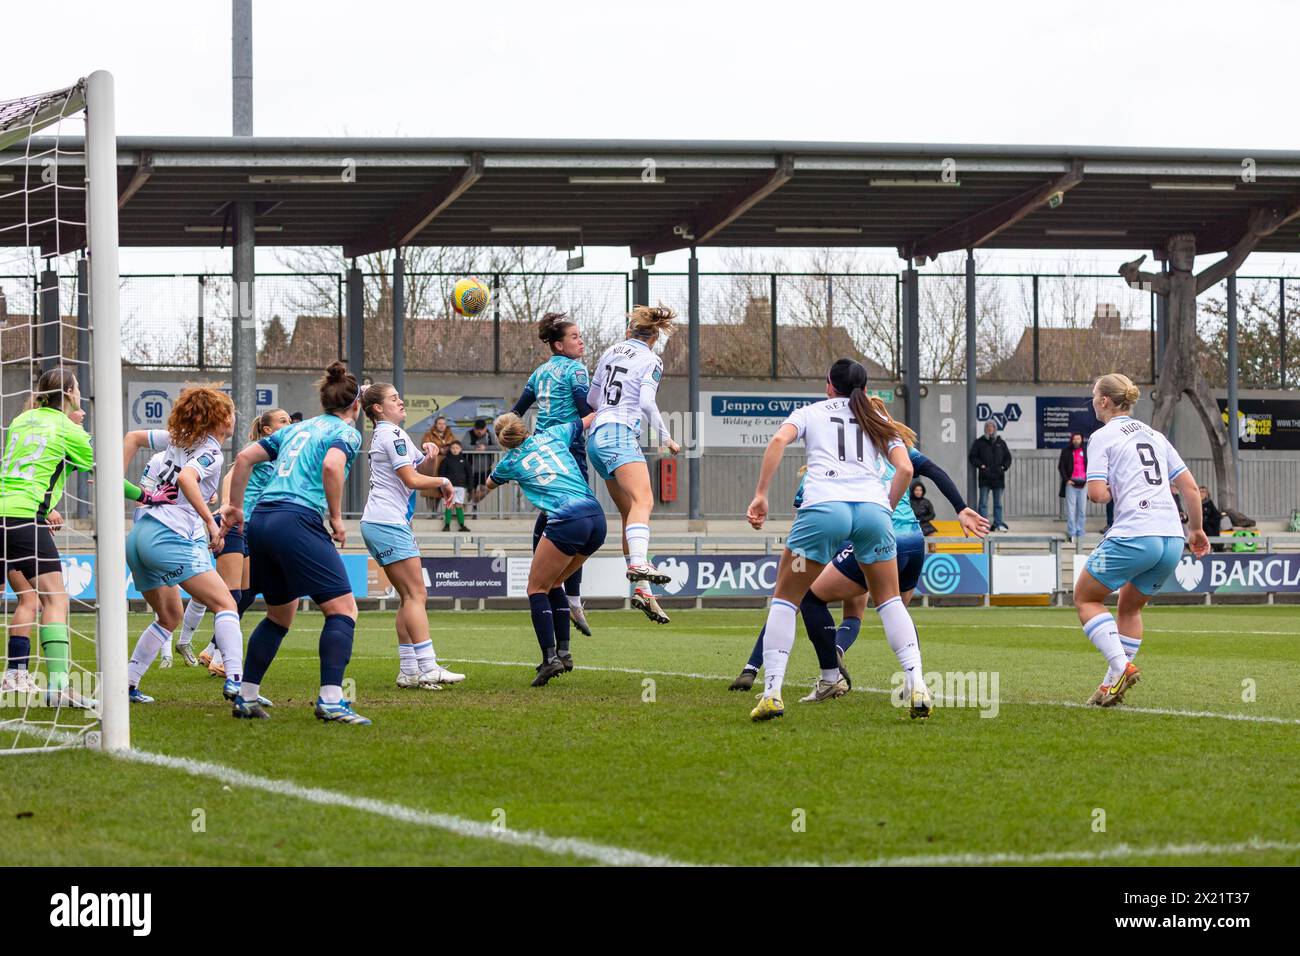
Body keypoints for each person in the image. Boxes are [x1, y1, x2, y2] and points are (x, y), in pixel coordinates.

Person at [745, 358, 928, 722]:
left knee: (785, 598)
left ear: (829, 385)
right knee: (890, 601)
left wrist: (761, 494)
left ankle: (772, 693)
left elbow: (779, 440)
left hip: (824, 511)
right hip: (873, 513)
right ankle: (918, 684)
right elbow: (906, 469)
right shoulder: (878, 420)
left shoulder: (810, 412)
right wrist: (885, 507)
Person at [729, 445, 986, 696]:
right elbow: (929, 470)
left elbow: (804, 516)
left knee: (792, 599)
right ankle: (913, 682)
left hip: (854, 543)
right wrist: (960, 507)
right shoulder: (896, 448)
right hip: (911, 541)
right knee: (892, 610)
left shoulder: (837, 458)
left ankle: (800, 670)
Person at [1, 369, 174, 701]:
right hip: (25, 517)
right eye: (78, 388)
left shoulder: (23, 420)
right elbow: (106, 474)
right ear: (69, 393)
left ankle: (17, 675)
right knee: (55, 599)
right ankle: (58, 687)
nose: (80, 394)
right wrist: (147, 496)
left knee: (31, 599)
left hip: (3, 511)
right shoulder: (70, 430)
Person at [220, 361, 368, 724]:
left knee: (279, 615)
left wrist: (235, 508)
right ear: (356, 405)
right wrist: (335, 518)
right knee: (343, 610)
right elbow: (333, 467)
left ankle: (247, 696)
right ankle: (332, 700)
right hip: (296, 520)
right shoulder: (347, 432)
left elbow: (244, 457)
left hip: (262, 520)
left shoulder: (297, 429)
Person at [121, 387, 264, 708]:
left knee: (169, 616)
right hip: (168, 536)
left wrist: (115, 478)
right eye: (230, 413)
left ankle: (127, 684)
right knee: (226, 604)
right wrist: (210, 523)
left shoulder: (178, 438)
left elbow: (132, 437)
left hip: (140, 536)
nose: (233, 419)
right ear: (220, 419)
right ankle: (237, 684)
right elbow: (187, 478)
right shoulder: (211, 451)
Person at [1073, 373, 1209, 707]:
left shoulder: (1102, 437)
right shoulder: (1156, 436)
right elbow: (1190, 488)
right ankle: (1109, 686)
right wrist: (1196, 530)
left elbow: (1096, 494)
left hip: (1135, 533)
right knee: (1129, 607)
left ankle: (1122, 666)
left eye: (1094, 396)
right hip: (1172, 540)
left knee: (1085, 598)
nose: (1093, 401)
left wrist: (1112, 487)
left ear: (1105, 401)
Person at [480, 412, 605, 686]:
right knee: (555, 583)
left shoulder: (509, 463)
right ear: (524, 428)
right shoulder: (553, 434)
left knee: (536, 589)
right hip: (597, 518)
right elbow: (589, 418)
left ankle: (550, 660)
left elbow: (488, 485)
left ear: (504, 443)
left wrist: (469, 497)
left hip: (567, 519)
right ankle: (564, 653)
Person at [359, 382, 464, 690]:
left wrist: (431, 456)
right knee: (417, 596)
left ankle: (408, 670)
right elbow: (411, 478)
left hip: (382, 522)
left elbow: (419, 469)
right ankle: (429, 666)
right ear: (378, 408)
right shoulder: (390, 434)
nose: (401, 401)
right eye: (394, 398)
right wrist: (444, 479)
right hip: (387, 522)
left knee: (408, 598)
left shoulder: (393, 433)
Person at [588, 305, 681, 624]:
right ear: (654, 338)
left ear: (631, 332)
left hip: (597, 437)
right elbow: (644, 402)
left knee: (630, 512)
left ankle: (642, 589)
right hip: (618, 434)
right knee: (645, 500)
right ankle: (639, 564)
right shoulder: (652, 359)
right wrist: (667, 436)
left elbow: (593, 398)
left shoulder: (611, 351)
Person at [188, 408, 293, 675]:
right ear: (268, 430)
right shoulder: (260, 449)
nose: (289, 425)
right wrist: (226, 506)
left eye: (290, 421)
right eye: (283, 421)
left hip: (254, 526)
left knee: (245, 595)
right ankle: (222, 660)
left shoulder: (283, 456)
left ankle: (212, 651)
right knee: (233, 595)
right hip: (237, 524)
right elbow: (229, 477)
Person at [509, 312, 594, 635]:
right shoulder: (575, 369)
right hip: (568, 450)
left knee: (555, 518)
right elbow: (585, 410)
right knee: (580, 522)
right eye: (574, 336)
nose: (580, 340)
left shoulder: (540, 372)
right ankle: (572, 597)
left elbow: (516, 411)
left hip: (543, 452)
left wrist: (514, 438)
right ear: (559, 344)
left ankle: (548, 590)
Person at [969, 420, 1012, 531]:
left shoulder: (1000, 443)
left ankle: (998, 524)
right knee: (983, 503)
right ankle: (983, 525)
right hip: (985, 477)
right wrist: (981, 466)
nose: (990, 429)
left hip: (998, 478)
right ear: (985, 428)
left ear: (995, 428)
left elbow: (1008, 458)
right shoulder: (979, 442)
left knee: (998, 504)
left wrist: (1003, 467)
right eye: (988, 427)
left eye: (992, 427)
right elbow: (972, 457)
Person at [420, 415, 458, 516]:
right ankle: (430, 512)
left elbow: (455, 444)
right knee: (430, 488)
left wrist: (448, 449)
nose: (442, 426)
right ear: (436, 425)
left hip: (445, 465)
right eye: (440, 423)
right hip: (433, 464)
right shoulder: (429, 434)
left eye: (444, 424)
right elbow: (424, 445)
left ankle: (439, 513)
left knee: (442, 489)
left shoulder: (450, 434)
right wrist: (438, 449)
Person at [1058, 431, 1088, 542]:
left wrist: (1088, 480)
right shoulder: (1066, 451)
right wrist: (1067, 480)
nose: (1076, 441)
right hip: (1071, 485)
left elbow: (1091, 465)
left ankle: (1080, 532)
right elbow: (1061, 467)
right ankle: (1072, 532)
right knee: (1071, 510)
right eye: (1074, 439)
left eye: (1078, 439)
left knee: (1082, 511)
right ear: (1072, 440)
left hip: (1084, 485)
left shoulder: (1086, 451)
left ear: (1082, 440)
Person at [437, 440, 472, 532]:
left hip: (461, 486)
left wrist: (470, 486)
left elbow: (469, 474)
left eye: (457, 448)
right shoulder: (446, 460)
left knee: (459, 505)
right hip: (449, 487)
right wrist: (441, 486)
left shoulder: (464, 461)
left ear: (460, 449)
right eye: (453, 448)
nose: (455, 450)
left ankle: (462, 525)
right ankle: (447, 525)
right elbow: (441, 473)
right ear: (450, 449)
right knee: (449, 505)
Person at [1200, 485, 1225, 552]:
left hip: (1209, 523)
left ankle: (1216, 545)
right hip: (1199, 524)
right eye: (1200, 492)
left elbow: (1216, 514)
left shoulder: (1209, 503)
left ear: (1207, 494)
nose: (1202, 494)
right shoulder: (1195, 502)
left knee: (1212, 524)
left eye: (1204, 492)